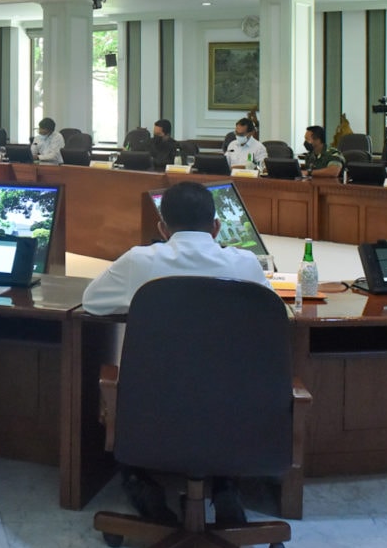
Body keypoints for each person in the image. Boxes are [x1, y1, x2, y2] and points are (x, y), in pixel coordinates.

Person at [83, 182, 269, 526]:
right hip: (236, 409)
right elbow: (275, 314)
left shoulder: (139, 261)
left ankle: (143, 486)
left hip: (154, 408)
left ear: (162, 228)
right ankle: (225, 487)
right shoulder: (246, 265)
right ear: (216, 227)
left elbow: (92, 301)